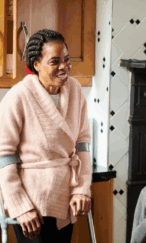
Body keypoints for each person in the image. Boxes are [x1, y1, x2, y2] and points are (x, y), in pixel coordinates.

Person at [0, 29, 92, 243]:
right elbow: (4, 155)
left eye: (67, 60)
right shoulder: (18, 96)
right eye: (55, 61)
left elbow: (83, 144)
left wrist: (82, 189)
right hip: (32, 205)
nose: (64, 67)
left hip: (66, 199)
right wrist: (21, 206)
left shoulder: (75, 90)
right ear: (36, 65)